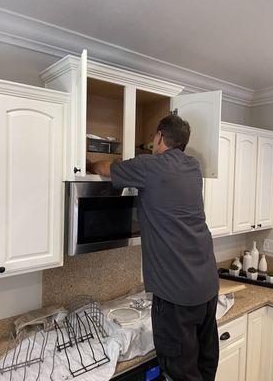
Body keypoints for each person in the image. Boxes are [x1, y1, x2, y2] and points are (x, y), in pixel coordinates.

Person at [88, 114, 219, 381]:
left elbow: (105, 168)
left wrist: (87, 162)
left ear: (159, 136)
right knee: (205, 368)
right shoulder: (193, 168)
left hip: (176, 298)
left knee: (179, 374)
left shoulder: (149, 166)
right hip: (207, 289)